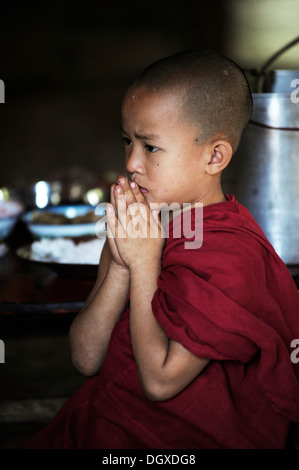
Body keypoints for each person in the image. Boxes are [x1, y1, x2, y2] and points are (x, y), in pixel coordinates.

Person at [19, 50, 299, 449]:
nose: (131, 161)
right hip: (106, 421)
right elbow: (85, 357)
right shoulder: (139, 227)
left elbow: (160, 381)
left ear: (214, 156)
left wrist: (145, 261)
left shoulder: (230, 255)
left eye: (150, 147)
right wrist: (119, 265)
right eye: (127, 141)